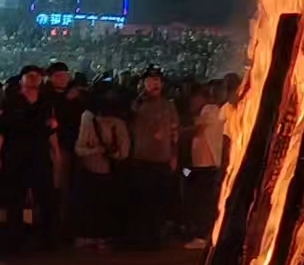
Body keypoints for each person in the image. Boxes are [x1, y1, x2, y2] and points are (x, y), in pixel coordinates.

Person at [0, 66, 59, 253]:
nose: (34, 79)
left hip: (39, 155)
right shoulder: (10, 102)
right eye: (30, 76)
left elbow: (52, 128)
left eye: (37, 76)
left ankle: (47, 239)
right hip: (15, 155)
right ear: (22, 79)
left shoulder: (46, 102)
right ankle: (14, 241)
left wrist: (56, 152)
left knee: (45, 197)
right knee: (15, 199)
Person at [73, 84, 130, 247]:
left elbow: (79, 149)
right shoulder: (94, 119)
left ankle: (94, 235)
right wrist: (103, 150)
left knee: (94, 205)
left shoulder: (89, 117)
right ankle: (101, 236)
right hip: (101, 171)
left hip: (96, 170)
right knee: (100, 205)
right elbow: (123, 152)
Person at [129, 68, 179, 248]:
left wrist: (174, 155)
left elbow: (174, 132)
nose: (154, 84)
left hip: (162, 159)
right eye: (150, 81)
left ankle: (157, 237)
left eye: (157, 81)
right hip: (143, 158)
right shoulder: (138, 104)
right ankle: (143, 237)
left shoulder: (168, 105)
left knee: (160, 199)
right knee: (143, 200)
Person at [46, 61, 83, 242]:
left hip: (74, 148)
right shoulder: (47, 98)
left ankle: (66, 227)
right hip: (55, 149)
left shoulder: (77, 97)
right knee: (56, 187)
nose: (61, 79)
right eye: (57, 75)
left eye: (64, 75)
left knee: (69, 189)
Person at [185, 82, 224, 249]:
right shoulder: (218, 110)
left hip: (204, 164)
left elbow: (196, 129)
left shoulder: (209, 110)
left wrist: (177, 131)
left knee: (201, 200)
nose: (192, 103)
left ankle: (202, 236)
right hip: (207, 164)